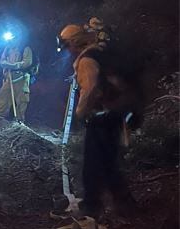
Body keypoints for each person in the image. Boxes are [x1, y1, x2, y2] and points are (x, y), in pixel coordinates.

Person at [58, 24, 141, 217]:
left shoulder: (87, 60)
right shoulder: (97, 53)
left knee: (94, 163)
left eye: (68, 46)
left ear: (74, 42)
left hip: (102, 117)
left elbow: (91, 88)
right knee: (106, 161)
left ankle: (94, 206)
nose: (68, 51)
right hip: (111, 114)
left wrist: (80, 112)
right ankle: (123, 204)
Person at [0, 36, 33, 123]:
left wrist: (13, 66)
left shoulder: (25, 48)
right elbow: (2, 61)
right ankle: (0, 117)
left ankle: (19, 119)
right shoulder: (8, 49)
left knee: (22, 99)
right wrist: (6, 65)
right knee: (3, 95)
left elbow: (27, 62)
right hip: (9, 77)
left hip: (21, 77)